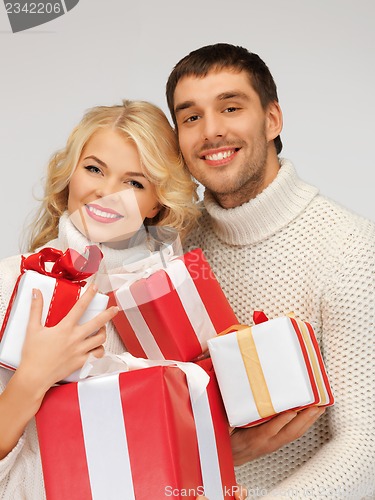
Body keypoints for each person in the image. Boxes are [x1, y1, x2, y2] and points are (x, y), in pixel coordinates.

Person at [166, 43, 375, 498]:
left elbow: (366, 446)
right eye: (191, 117)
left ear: (273, 119)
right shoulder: (176, 244)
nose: (211, 131)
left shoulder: (349, 247)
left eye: (231, 107)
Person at [0, 99, 202, 498]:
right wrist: (33, 378)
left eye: (134, 182)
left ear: (156, 203)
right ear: (70, 174)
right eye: (94, 169)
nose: (107, 193)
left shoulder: (172, 301)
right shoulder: (10, 281)